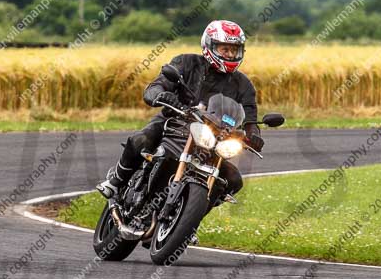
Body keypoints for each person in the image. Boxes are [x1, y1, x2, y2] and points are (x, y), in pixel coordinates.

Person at [97, 20, 264, 201]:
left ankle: (192, 216)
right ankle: (115, 182)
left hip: (212, 139)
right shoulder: (186, 62)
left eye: (235, 50)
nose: (230, 55)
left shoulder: (243, 84)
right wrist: (162, 95)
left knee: (233, 180)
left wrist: (253, 134)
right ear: (210, 45)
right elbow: (156, 86)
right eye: (225, 49)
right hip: (175, 122)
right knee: (141, 140)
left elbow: (250, 118)